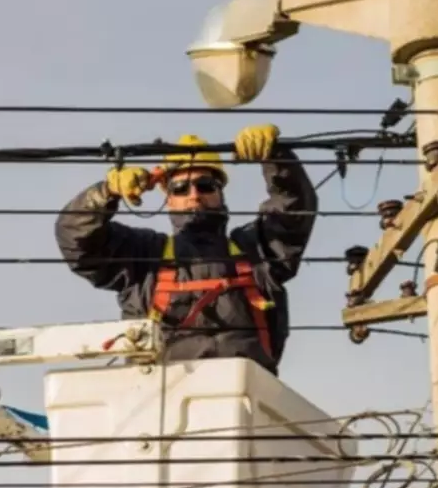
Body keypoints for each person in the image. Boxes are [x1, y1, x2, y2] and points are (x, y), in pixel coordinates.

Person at [54, 124, 317, 375]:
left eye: (205, 185)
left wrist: (278, 159)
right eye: (180, 188)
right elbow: (75, 238)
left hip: (247, 403)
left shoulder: (256, 250)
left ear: (220, 193)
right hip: (161, 406)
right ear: (168, 199)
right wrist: (105, 193)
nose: (194, 194)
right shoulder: (144, 257)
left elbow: (293, 211)